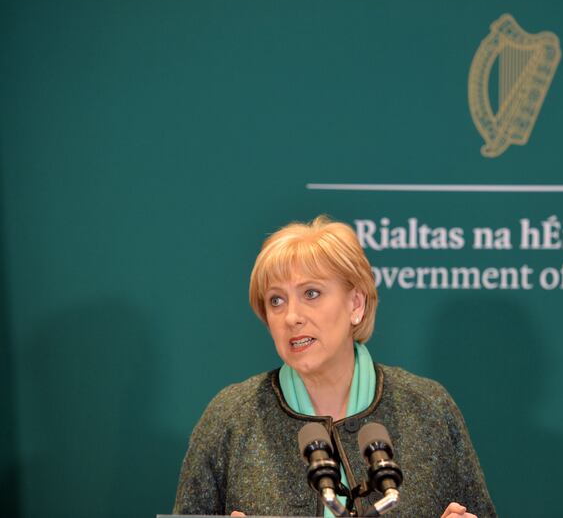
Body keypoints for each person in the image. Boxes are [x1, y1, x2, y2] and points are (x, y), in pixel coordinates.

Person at [173, 216, 496, 517]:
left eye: (311, 293)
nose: (291, 316)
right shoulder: (232, 417)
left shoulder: (427, 407)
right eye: (276, 300)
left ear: (355, 304)